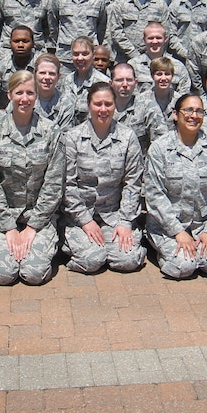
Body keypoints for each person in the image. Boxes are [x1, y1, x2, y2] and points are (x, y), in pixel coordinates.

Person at [0, 70, 64, 285]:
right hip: (3, 218)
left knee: (34, 275)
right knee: (4, 275)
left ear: (37, 95)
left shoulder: (51, 132)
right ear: (9, 95)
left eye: (30, 93)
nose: (25, 99)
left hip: (40, 219)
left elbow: (53, 185)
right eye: (19, 93)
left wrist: (32, 227)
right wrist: (9, 228)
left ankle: (42, 251)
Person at [144, 93, 207, 279]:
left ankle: (200, 249)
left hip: (204, 225)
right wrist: (178, 232)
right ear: (176, 114)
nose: (194, 115)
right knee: (183, 267)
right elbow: (154, 195)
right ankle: (162, 251)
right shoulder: (160, 148)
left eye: (199, 111)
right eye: (188, 110)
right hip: (168, 227)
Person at [61, 82, 147, 274]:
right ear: (88, 105)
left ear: (115, 105)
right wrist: (85, 220)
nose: (103, 109)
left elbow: (132, 183)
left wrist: (125, 222)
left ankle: (107, 249)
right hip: (79, 217)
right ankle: (82, 248)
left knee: (129, 260)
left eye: (108, 104)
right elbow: (68, 184)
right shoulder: (72, 137)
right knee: (92, 260)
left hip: (113, 216)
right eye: (97, 104)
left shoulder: (127, 137)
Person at [109, 0, 180, 64]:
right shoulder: (121, 3)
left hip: (153, 61)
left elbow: (166, 32)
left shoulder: (160, 5)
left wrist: (149, 55)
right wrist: (135, 55)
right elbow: (116, 32)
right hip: (124, 61)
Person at [46, 0, 107, 70]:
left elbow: (101, 28)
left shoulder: (98, 0)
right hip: (65, 57)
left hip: (89, 57)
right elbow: (52, 26)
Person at [111, 62, 168, 154]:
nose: (125, 84)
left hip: (139, 165)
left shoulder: (147, 106)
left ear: (136, 83)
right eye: (119, 80)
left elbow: (161, 143)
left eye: (129, 80)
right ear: (111, 83)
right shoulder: (103, 107)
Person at [128, 21, 190, 97]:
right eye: (150, 38)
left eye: (158, 38)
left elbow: (184, 97)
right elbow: (130, 95)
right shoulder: (133, 66)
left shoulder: (178, 66)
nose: (154, 41)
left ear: (165, 39)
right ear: (144, 40)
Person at [57, 36, 110, 124]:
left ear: (93, 55)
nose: (80, 58)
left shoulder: (104, 83)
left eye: (85, 54)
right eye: (76, 54)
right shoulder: (66, 81)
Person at [0, 25, 37, 109]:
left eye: (25, 41)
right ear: (10, 43)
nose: (20, 45)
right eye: (16, 41)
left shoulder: (42, 68)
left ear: (33, 43)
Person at [31, 53, 76, 128]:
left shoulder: (66, 104)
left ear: (58, 77)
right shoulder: (23, 98)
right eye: (42, 73)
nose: (47, 77)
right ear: (34, 74)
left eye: (52, 74)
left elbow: (65, 136)